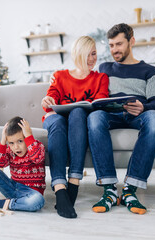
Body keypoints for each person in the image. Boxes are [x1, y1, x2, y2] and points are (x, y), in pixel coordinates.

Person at [88, 23, 155, 215]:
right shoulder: (104, 67)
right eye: (111, 45)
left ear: (132, 41)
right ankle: (109, 190)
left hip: (138, 114)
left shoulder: (150, 71)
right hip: (111, 113)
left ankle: (130, 190)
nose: (114, 50)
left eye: (119, 44)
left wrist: (144, 107)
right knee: (94, 116)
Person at [42, 36, 109, 218]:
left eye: (94, 54)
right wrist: (47, 100)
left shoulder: (101, 78)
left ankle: (73, 181)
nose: (92, 58)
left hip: (79, 122)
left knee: (78, 113)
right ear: (78, 54)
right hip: (57, 120)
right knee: (56, 121)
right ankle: (60, 188)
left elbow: (100, 102)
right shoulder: (59, 75)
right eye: (88, 54)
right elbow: (50, 102)